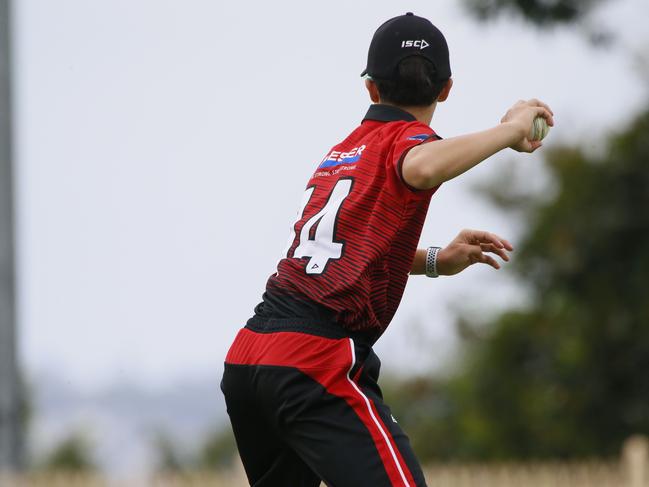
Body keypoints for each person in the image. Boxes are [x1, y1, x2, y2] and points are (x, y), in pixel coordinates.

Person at [221, 12, 554, 487]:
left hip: (252, 356)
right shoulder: (408, 140)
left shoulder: (343, 151)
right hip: (314, 359)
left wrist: (437, 260)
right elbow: (419, 167)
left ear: (371, 89)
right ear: (446, 89)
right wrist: (509, 130)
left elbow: (337, 252)